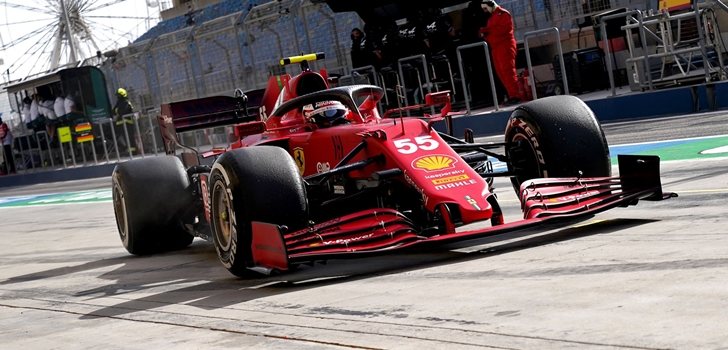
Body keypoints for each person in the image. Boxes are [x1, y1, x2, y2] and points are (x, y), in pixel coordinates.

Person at [480, 0, 522, 105]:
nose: (485, 11)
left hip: (505, 46)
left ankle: (516, 95)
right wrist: (486, 32)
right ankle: (512, 95)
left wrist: (487, 32)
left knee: (508, 71)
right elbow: (494, 31)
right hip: (496, 47)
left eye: (485, 8)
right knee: (501, 72)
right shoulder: (492, 17)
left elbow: (503, 30)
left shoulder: (503, 14)